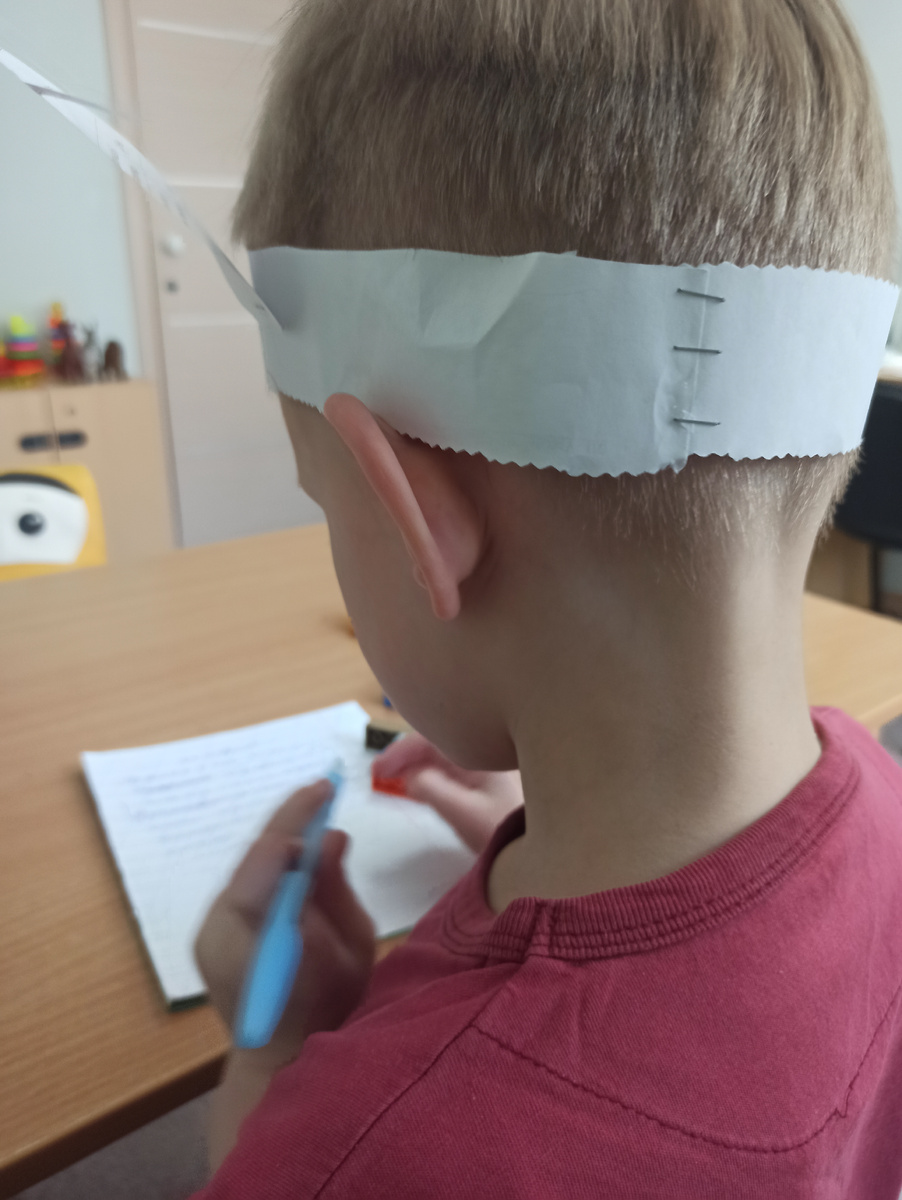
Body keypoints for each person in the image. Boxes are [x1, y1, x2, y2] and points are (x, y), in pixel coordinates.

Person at [189, 0, 902, 1195]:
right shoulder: (879, 794)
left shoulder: (364, 1151)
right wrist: (534, 833)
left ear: (413, 514)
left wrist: (273, 1054)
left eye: (323, 502)